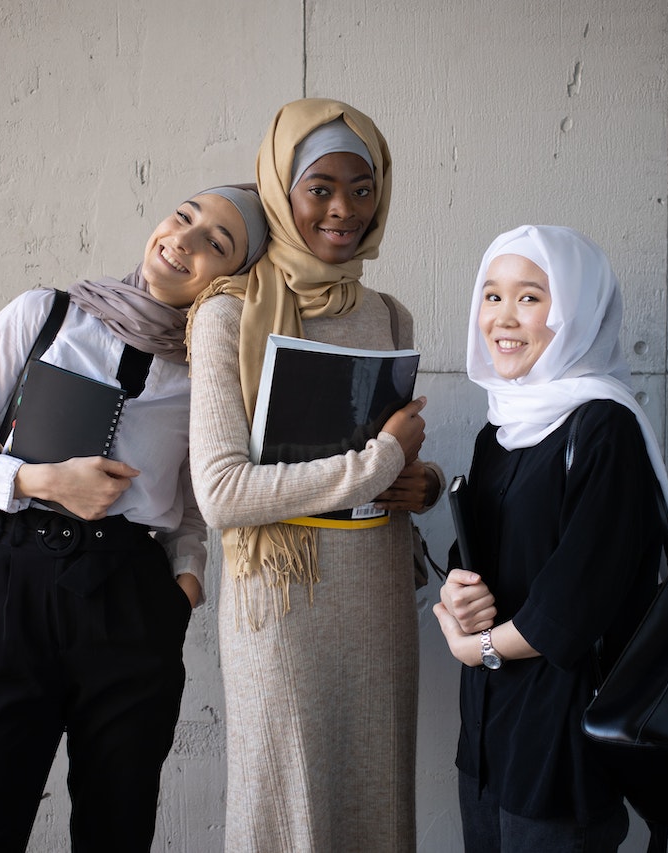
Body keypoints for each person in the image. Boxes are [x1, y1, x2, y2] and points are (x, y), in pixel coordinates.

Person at [0, 184, 268, 852]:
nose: (184, 241)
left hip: (132, 601)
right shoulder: (45, 316)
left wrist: (184, 586)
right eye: (184, 217)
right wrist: (37, 479)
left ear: (236, 277)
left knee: (118, 831)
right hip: (12, 582)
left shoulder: (209, 371)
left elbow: (194, 506)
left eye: (216, 243)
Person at [186, 98, 441, 852]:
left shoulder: (389, 315)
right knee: (285, 811)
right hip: (281, 607)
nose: (343, 209)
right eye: (319, 187)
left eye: (362, 188)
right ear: (280, 190)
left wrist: (419, 484)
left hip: (376, 594)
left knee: (374, 807)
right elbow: (223, 493)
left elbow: (389, 462)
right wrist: (379, 463)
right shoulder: (228, 314)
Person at [432, 225, 668, 853]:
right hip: (489, 740)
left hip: (563, 739)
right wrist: (454, 606)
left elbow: (573, 609)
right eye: (491, 296)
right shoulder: (501, 427)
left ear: (577, 311)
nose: (502, 317)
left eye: (530, 297)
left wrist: (478, 650)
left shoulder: (604, 427)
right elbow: (473, 562)